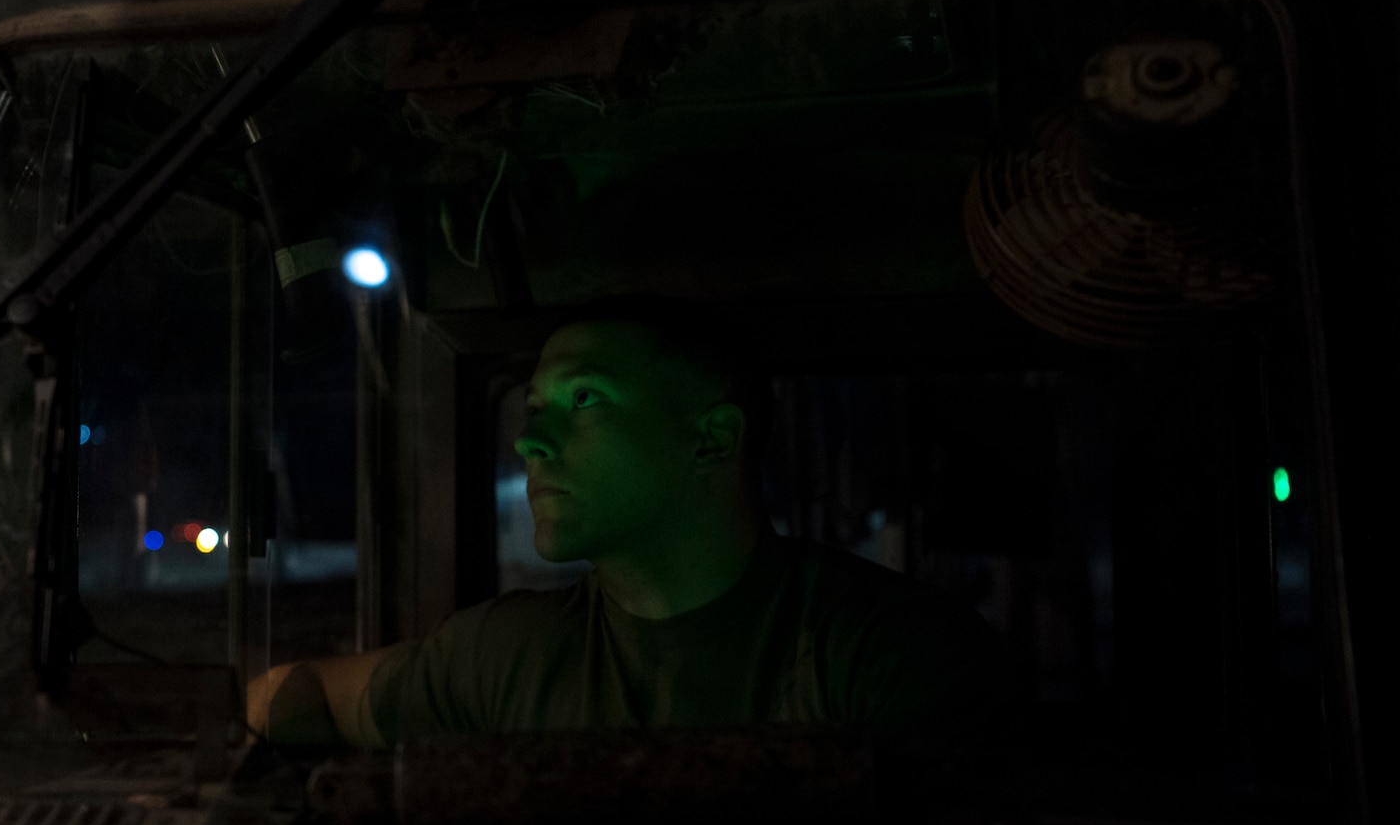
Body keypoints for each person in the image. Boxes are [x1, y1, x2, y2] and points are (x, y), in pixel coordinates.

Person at [245, 298, 1008, 746]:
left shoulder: (889, 655)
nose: (530, 440)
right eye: (535, 406)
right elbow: (301, 689)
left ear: (712, 438)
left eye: (585, 401)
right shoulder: (505, 654)